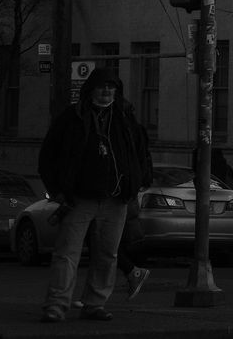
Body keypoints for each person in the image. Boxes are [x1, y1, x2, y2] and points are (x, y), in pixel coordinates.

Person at [37, 67, 153, 322]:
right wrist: (58, 191)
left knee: (107, 254)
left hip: (116, 199)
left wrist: (138, 181)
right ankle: (56, 305)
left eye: (111, 88)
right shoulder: (71, 118)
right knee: (67, 253)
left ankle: (94, 303)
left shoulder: (124, 119)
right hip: (79, 198)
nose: (106, 92)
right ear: (91, 90)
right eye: (102, 87)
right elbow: (48, 156)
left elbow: (141, 151)